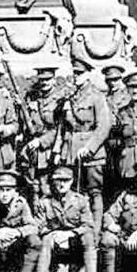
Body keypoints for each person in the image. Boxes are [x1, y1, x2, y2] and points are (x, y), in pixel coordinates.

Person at [52, 56, 111, 237]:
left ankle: (95, 231)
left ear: (88, 75)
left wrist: (90, 147)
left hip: (92, 154)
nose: (76, 76)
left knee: (94, 192)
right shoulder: (70, 97)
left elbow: (104, 126)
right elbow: (62, 126)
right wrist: (57, 149)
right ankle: (77, 229)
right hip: (70, 152)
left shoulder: (97, 97)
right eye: (75, 73)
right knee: (76, 192)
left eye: (80, 73)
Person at [34, 166, 101, 272]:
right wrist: (52, 233)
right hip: (54, 238)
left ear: (72, 181)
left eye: (66, 180)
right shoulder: (45, 201)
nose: (62, 184)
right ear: (53, 182)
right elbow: (38, 225)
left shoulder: (80, 200)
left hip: (75, 239)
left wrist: (70, 234)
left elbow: (88, 224)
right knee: (45, 240)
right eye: (58, 181)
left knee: (89, 238)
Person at [21, 67, 64, 206]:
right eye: (42, 80)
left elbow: (59, 128)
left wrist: (41, 141)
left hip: (49, 149)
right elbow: (26, 122)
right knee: (33, 186)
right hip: (33, 149)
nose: (45, 83)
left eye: (48, 79)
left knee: (48, 186)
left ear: (53, 80)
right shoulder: (32, 97)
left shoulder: (60, 99)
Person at [101, 65, 130, 205]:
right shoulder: (105, 97)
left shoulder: (127, 96)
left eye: (116, 79)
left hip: (121, 141)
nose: (113, 83)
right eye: (109, 80)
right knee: (109, 179)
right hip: (107, 143)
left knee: (123, 178)